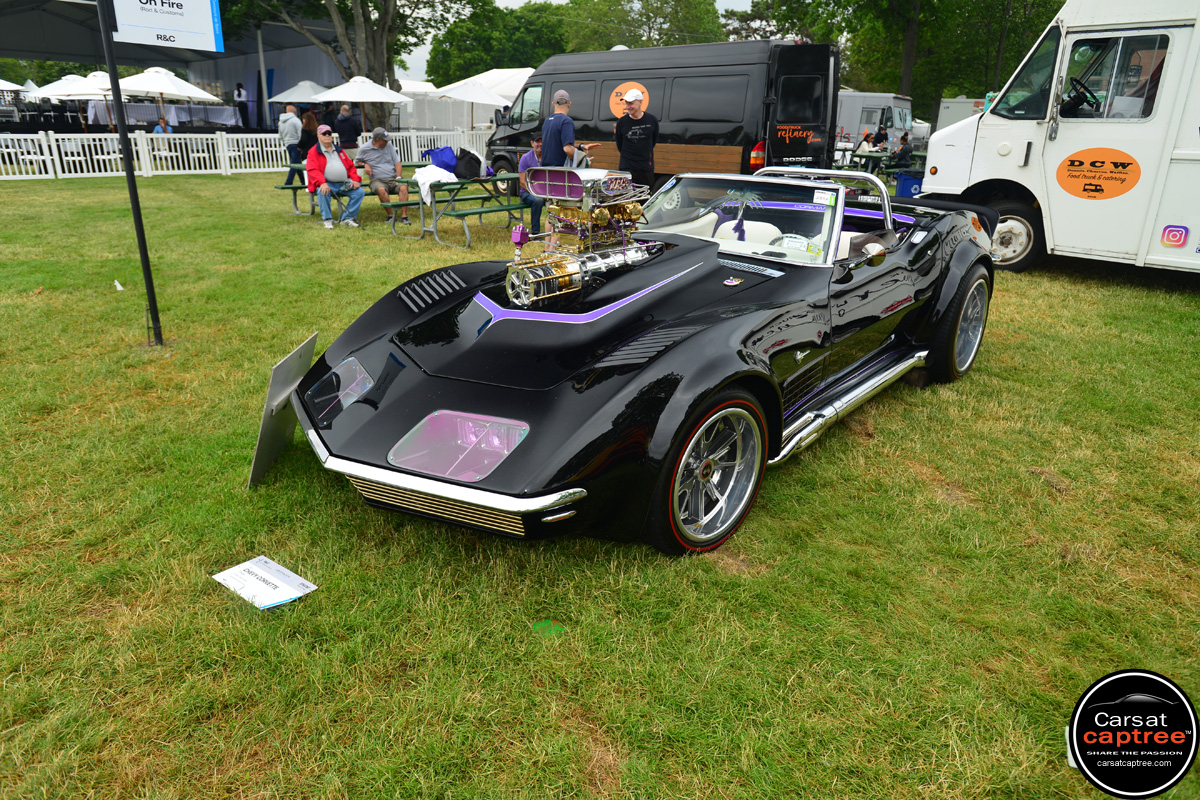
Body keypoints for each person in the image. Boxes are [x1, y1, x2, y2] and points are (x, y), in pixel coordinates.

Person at [306, 124, 364, 229]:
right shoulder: (313, 152)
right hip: (327, 183)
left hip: (344, 183)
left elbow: (351, 166)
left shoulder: (339, 150)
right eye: (324, 134)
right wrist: (322, 183)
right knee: (322, 191)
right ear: (318, 136)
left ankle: (347, 219)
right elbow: (313, 170)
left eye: (329, 133)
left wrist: (355, 180)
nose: (327, 136)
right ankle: (327, 220)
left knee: (359, 192)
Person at [356, 127, 411, 226]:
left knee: (403, 187)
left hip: (393, 177)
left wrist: (398, 177)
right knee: (381, 189)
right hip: (377, 179)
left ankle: (404, 216)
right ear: (377, 140)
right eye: (385, 140)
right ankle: (391, 216)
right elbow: (357, 160)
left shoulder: (388, 145)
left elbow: (397, 163)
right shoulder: (364, 148)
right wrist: (365, 165)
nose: (387, 141)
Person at [540, 90, 600, 168]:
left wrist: (581, 146)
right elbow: (567, 149)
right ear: (569, 104)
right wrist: (584, 161)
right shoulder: (566, 121)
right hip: (560, 172)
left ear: (553, 104)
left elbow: (559, 143)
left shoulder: (547, 121)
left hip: (545, 171)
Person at [614, 88, 658, 189]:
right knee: (626, 199)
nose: (628, 107)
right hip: (627, 169)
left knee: (645, 198)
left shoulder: (652, 120)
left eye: (631, 103)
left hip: (646, 168)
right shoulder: (621, 122)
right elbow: (619, 144)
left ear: (640, 102)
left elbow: (653, 141)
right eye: (626, 103)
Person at [518, 134, 545, 235]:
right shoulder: (525, 158)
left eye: (542, 141)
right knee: (538, 201)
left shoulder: (548, 157)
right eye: (537, 141)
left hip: (545, 192)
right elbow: (522, 182)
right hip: (527, 192)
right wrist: (537, 193)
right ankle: (536, 232)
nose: (540, 144)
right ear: (532, 143)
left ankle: (558, 232)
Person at [278, 104, 303, 186]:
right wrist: (301, 144)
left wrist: (285, 142)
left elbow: (280, 135)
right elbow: (300, 133)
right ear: (294, 112)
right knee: (294, 164)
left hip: (288, 144)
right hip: (296, 144)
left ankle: (303, 181)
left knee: (297, 163)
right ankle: (288, 182)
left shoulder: (280, 122)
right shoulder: (296, 120)